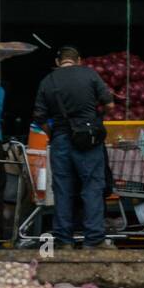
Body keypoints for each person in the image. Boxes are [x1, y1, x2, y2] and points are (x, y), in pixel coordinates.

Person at [32, 46, 115, 249]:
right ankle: (94, 239)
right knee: (92, 187)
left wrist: (53, 134)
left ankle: (63, 240)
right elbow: (110, 105)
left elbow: (39, 117)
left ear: (58, 61)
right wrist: (95, 118)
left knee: (62, 190)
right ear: (79, 60)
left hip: (60, 140)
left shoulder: (47, 81)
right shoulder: (89, 74)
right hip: (88, 140)